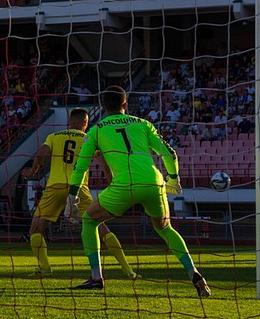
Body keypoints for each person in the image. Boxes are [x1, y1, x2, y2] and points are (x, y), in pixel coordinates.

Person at [68, 86, 211, 297]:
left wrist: (73, 195)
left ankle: (96, 278)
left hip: (124, 185)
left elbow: (81, 165)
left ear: (103, 107)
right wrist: (173, 179)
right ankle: (194, 273)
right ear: (126, 105)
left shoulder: (96, 130)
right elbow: (169, 154)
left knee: (89, 220)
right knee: (165, 228)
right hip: (153, 182)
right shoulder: (143, 124)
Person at [21, 108, 133, 278]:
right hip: (79, 187)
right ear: (85, 123)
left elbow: (41, 153)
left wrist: (33, 172)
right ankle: (127, 269)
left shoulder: (54, 136)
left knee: (36, 229)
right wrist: (112, 183)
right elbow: (102, 161)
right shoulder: (89, 138)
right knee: (100, 227)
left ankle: (44, 268)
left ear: (69, 122)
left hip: (55, 186)